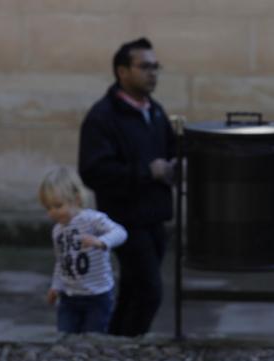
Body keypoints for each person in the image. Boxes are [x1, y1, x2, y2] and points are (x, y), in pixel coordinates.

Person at [78, 37, 175, 338]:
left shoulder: (155, 111)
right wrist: (147, 172)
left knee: (134, 290)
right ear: (122, 71)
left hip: (155, 215)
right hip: (124, 219)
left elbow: (170, 150)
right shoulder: (103, 117)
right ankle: (128, 347)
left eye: (155, 66)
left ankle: (115, 344)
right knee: (149, 291)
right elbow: (94, 171)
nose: (153, 73)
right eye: (145, 66)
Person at [39, 166, 127, 334]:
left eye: (58, 205)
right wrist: (56, 286)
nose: (53, 212)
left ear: (77, 199)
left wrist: (101, 242)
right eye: (48, 208)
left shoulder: (92, 219)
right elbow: (62, 261)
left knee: (93, 338)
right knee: (65, 336)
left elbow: (121, 232)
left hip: (97, 296)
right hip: (69, 297)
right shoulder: (58, 230)